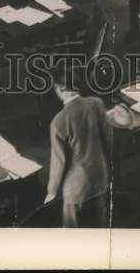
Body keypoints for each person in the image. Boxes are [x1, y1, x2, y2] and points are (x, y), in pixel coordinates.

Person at [44, 66, 112, 228]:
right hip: (100, 175)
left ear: (60, 89)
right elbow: (108, 139)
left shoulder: (58, 122)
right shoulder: (96, 103)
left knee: (73, 230)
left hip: (76, 187)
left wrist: (52, 191)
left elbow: (59, 162)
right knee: (103, 224)